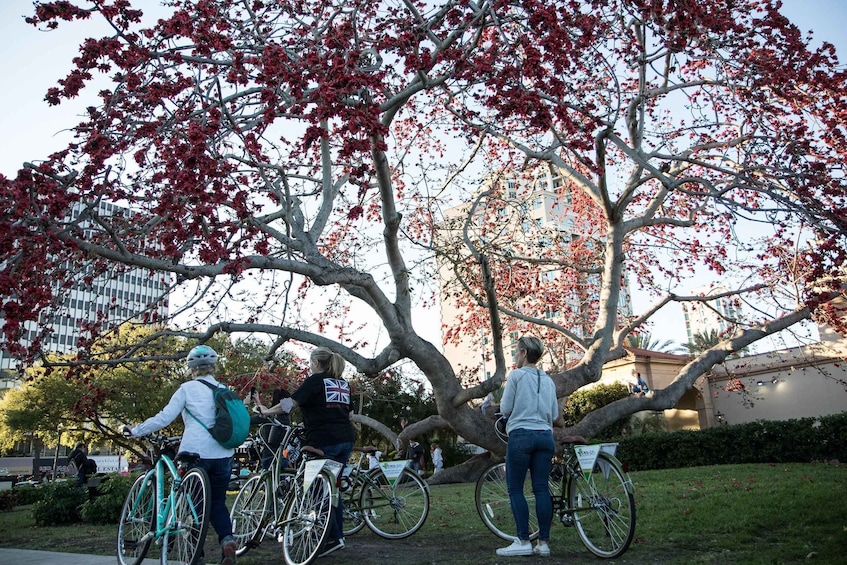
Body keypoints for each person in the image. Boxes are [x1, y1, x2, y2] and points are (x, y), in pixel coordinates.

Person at [124, 345, 238, 565]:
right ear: (213, 367)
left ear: (191, 368)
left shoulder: (187, 389)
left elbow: (165, 417)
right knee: (217, 503)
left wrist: (136, 430)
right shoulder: (224, 388)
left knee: (192, 505)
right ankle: (227, 540)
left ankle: (196, 556)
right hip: (224, 453)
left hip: (195, 453)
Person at [258, 346, 356, 557]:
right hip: (345, 440)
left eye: (310, 363)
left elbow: (288, 405)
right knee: (333, 490)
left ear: (316, 363)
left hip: (323, 441)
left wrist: (266, 411)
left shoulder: (315, 381)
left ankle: (331, 537)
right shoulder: (343, 384)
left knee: (316, 489)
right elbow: (349, 413)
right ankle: (335, 535)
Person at [496, 336, 559, 558]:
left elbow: (505, 408)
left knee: (515, 488)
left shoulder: (516, 376)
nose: (515, 356)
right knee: (541, 488)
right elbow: (554, 414)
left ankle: (523, 540)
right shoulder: (548, 381)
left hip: (521, 435)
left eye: (516, 352)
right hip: (545, 437)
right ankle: (543, 543)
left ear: (523, 353)